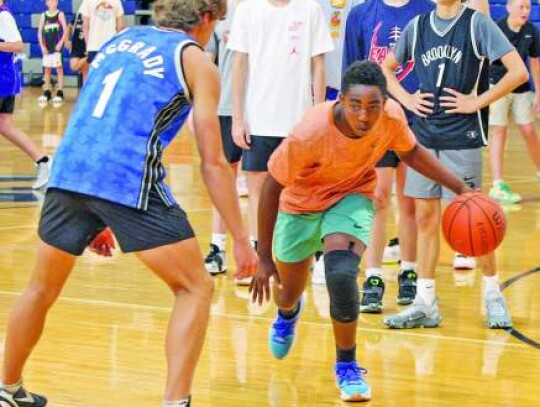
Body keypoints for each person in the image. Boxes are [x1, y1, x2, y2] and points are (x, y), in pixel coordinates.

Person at [0, 1, 258, 407]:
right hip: (125, 177)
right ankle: (176, 402)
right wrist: (242, 239)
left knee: (39, 289)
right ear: (206, 19)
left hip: (69, 169)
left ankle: (7, 390)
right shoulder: (195, 60)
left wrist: (95, 217)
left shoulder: (119, 40)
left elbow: (93, 114)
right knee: (194, 288)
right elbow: (213, 160)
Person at [250, 61, 473, 402]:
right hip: (299, 205)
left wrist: (460, 188)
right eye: (355, 106)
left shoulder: (392, 117)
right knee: (288, 292)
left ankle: (347, 367)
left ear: (385, 102)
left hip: (351, 197)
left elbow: (411, 153)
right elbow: (270, 188)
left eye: (373, 106)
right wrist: (263, 257)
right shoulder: (310, 132)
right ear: (340, 100)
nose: (365, 116)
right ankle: (288, 313)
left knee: (340, 274)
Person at [381, 0, 528, 329]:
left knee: (476, 217)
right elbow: (385, 69)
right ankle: (425, 302)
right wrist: (406, 99)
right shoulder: (417, 26)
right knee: (425, 218)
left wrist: (477, 101)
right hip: (424, 136)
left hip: (463, 136)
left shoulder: (477, 24)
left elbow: (518, 71)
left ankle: (493, 295)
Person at [228, 0, 334, 280]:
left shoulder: (310, 9)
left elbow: (318, 64)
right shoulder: (247, 10)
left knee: (306, 189)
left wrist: (318, 116)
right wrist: (238, 118)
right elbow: (239, 65)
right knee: (258, 187)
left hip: (298, 122)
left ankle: (310, 254)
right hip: (259, 118)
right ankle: (258, 254)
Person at [342, 0, 434, 313]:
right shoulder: (361, 14)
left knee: (410, 200)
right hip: (374, 122)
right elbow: (350, 72)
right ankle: (374, 276)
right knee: (377, 198)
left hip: (414, 120)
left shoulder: (427, 10)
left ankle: (409, 269)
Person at [310, 0, 361, 284]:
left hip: (352, 94)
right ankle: (318, 251)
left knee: (348, 180)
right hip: (318, 91)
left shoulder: (362, 6)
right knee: (317, 177)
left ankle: (341, 249)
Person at [202, 0, 252, 285]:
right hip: (225, 107)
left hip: (264, 107)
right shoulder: (221, 11)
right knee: (224, 176)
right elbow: (207, 59)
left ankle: (264, 248)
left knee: (269, 181)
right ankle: (217, 246)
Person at [488, 0, 540, 204]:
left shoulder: (531, 31)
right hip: (498, 86)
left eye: (528, 7)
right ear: (509, 7)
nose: (525, 11)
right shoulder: (498, 29)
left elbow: (535, 62)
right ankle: (497, 185)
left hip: (521, 88)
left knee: (529, 131)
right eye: (521, 6)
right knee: (499, 131)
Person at [0, 0, 50, 189]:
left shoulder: (4, 16)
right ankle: (43, 161)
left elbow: (18, 45)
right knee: (5, 126)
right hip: (4, 78)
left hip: (3, 78)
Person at [37, 0, 68, 105]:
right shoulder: (43, 15)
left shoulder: (60, 14)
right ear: (46, 3)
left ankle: (60, 92)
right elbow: (39, 32)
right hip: (47, 47)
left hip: (56, 47)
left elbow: (65, 30)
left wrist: (61, 43)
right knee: (47, 69)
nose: (53, 2)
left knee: (59, 69)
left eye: (54, 0)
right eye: (50, 1)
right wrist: (42, 46)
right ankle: (47, 92)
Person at [81, 0, 124, 64]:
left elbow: (85, 26)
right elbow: (121, 27)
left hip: (93, 46)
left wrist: (88, 46)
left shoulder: (87, 1)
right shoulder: (117, 1)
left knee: (95, 73)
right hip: (111, 46)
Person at [67, 6, 88, 83]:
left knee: (85, 70)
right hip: (76, 45)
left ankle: (84, 92)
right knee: (74, 66)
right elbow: (69, 26)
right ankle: (89, 57)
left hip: (86, 45)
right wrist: (67, 40)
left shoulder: (93, 16)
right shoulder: (78, 15)